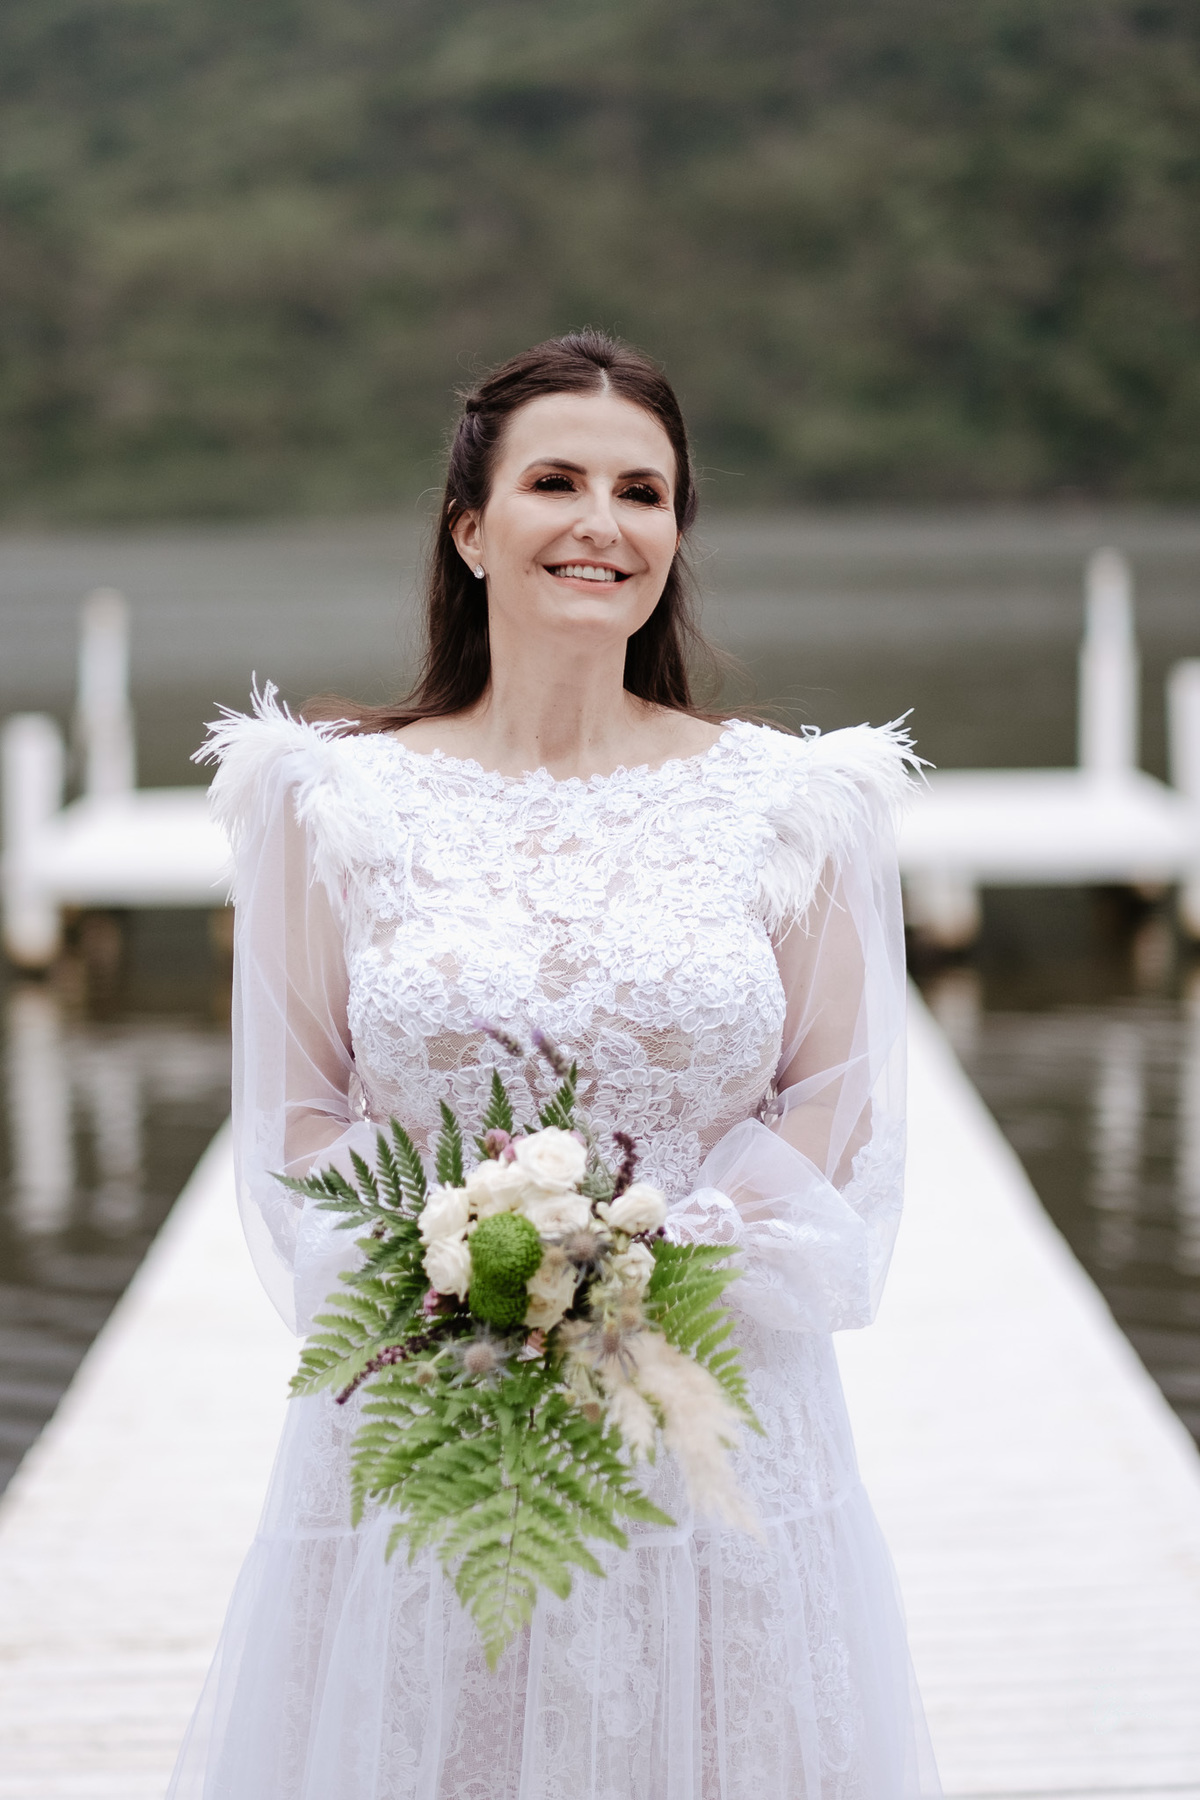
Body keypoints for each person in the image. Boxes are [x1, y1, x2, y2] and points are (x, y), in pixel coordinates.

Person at [168, 329, 941, 1799]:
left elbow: (833, 1101)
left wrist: (659, 1261)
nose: (603, 523)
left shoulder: (793, 801)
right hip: (436, 1397)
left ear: (675, 536)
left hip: (721, 1398)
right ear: (472, 528)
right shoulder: (332, 798)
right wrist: (457, 1272)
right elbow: (303, 1109)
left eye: (643, 492)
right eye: (558, 481)